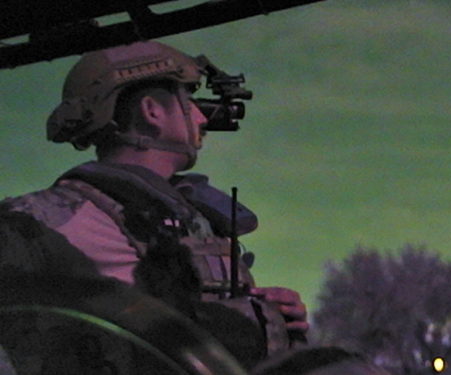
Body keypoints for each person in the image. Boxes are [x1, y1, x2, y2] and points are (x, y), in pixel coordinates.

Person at [0, 41, 308, 371]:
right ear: (152, 111)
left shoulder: (193, 217)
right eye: (188, 101)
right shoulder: (35, 222)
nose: (202, 115)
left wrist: (274, 318)